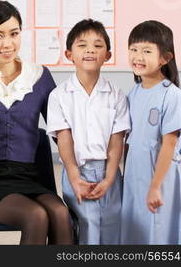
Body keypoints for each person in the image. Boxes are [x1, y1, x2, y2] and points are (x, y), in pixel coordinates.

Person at [0, 0, 73, 245]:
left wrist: (79, 174)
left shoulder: (39, 76)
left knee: (59, 213)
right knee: (35, 216)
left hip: (29, 177)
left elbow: (61, 130)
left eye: (14, 34)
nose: (8, 43)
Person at [46, 19, 130, 244]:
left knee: (114, 223)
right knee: (87, 227)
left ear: (108, 56)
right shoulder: (59, 96)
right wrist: (74, 176)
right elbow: (64, 138)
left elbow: (117, 140)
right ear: (69, 53)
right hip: (77, 172)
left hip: (109, 172)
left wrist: (110, 177)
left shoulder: (116, 94)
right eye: (82, 45)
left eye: (98, 45)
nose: (90, 50)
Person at [121, 20, 181, 244]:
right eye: (133, 50)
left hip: (163, 177)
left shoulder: (171, 95)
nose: (138, 56)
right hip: (137, 173)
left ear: (165, 58)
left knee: (163, 229)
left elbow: (169, 143)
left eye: (147, 51)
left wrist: (155, 186)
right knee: (140, 227)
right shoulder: (133, 94)